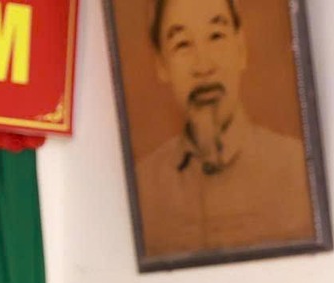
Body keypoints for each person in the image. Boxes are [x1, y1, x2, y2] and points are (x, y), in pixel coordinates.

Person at [131, 0, 314, 258]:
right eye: (182, 44)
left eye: (216, 36)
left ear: (241, 48)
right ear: (162, 64)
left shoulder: (298, 169)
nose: (203, 66)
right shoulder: (143, 189)